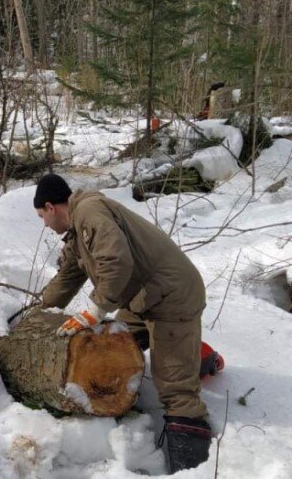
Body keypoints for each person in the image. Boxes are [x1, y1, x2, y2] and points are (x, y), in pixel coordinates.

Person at [33, 173, 214, 473]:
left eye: (42, 216)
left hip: (171, 297)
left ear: (51, 207)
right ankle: (196, 355)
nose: (44, 224)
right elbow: (67, 277)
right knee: (115, 347)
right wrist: (39, 310)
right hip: (145, 299)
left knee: (175, 389)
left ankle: (194, 469)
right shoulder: (78, 232)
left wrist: (95, 309)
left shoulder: (90, 212)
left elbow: (116, 261)